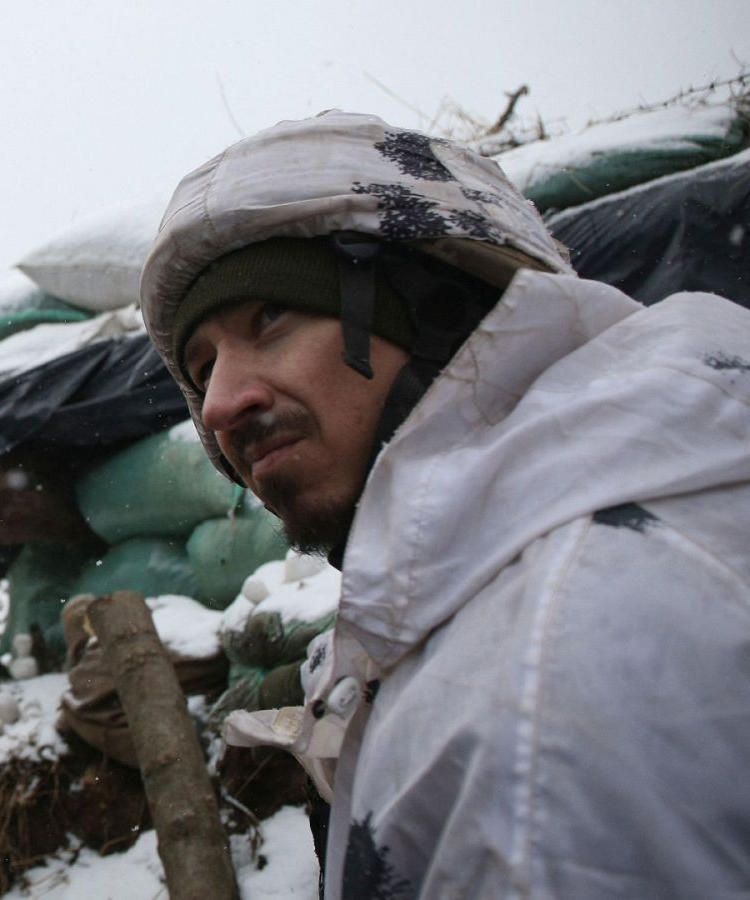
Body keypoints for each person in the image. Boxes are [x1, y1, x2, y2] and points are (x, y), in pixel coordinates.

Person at [140, 111, 750, 898]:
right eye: (202, 368)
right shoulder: (493, 600)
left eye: (271, 317)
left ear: (439, 305)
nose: (221, 404)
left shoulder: (549, 671)